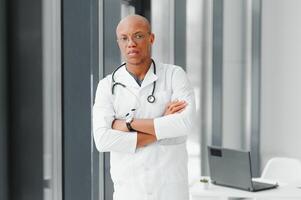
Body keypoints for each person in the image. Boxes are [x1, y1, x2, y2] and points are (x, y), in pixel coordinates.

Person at [93, 14, 196, 200]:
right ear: (119, 43)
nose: (131, 43)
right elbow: (102, 140)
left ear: (151, 38)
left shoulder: (174, 75)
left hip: (170, 192)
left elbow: (185, 124)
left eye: (138, 36)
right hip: (130, 192)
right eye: (124, 38)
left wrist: (128, 124)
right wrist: (163, 125)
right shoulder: (107, 86)